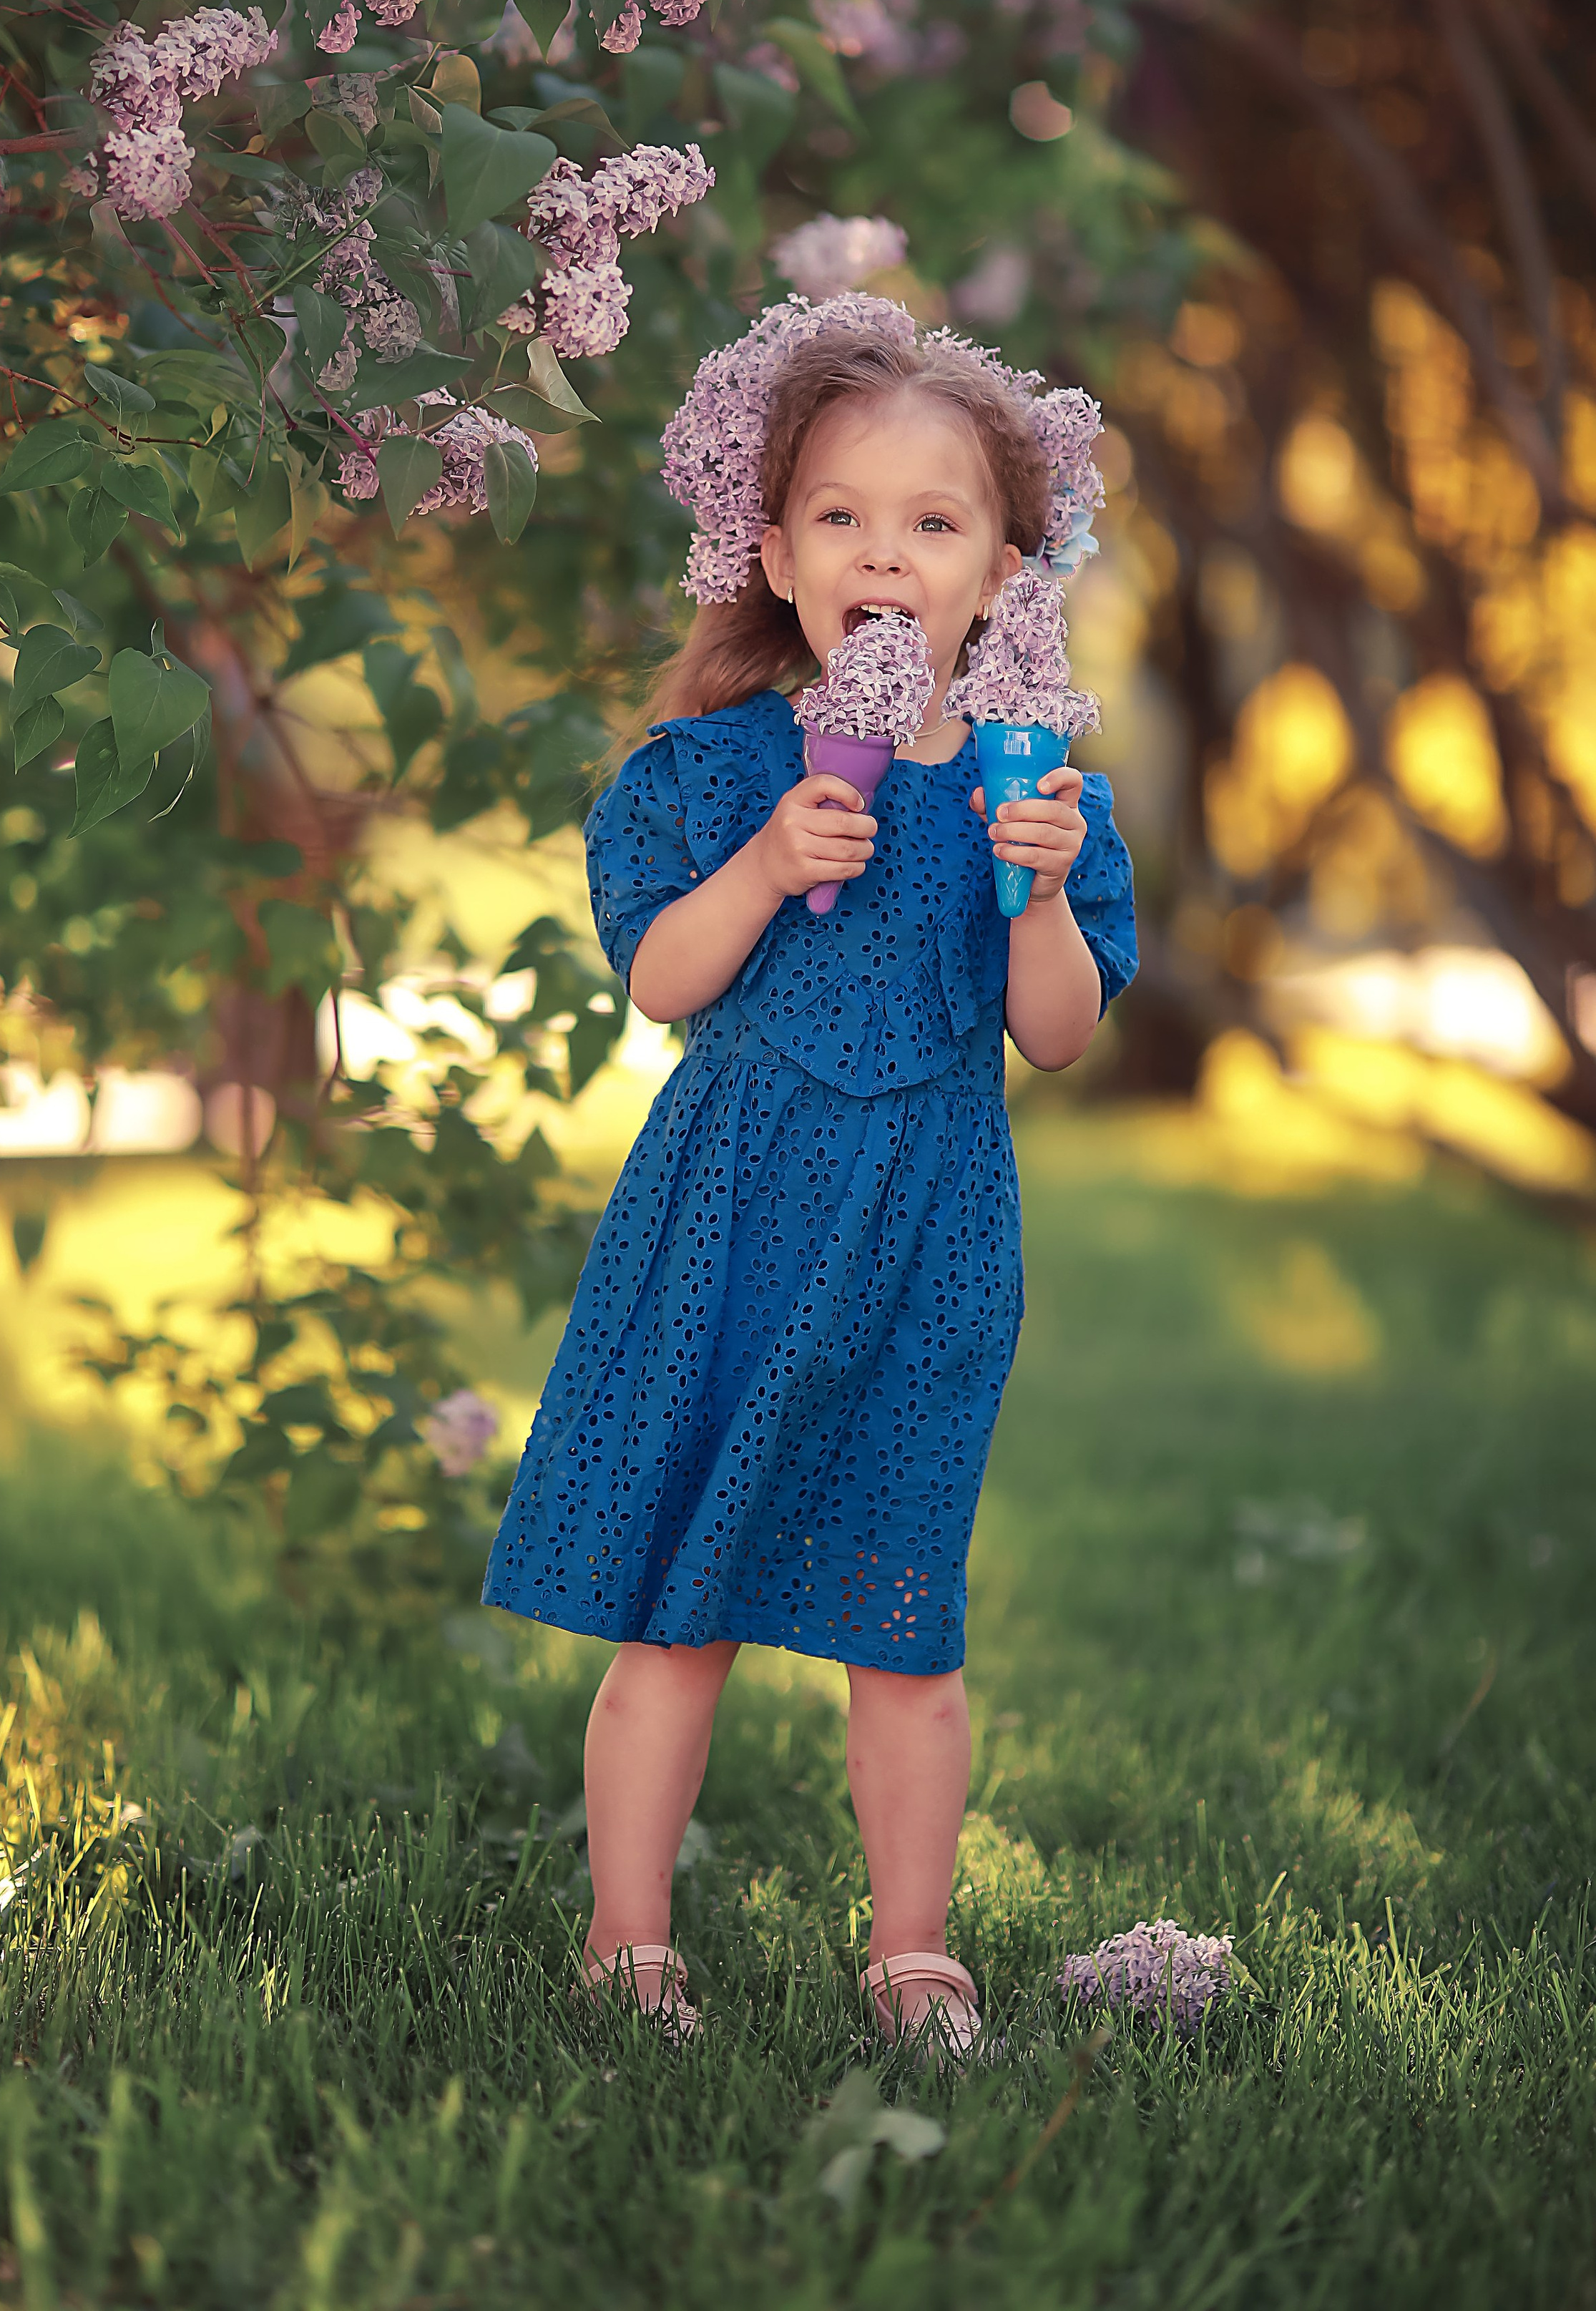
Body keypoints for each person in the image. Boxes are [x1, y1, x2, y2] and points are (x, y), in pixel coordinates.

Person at [482, 306, 1137, 2055]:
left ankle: (912, 1949)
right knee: (674, 1609)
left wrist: (1042, 890)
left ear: (1003, 568)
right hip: (723, 1227)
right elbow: (662, 978)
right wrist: (771, 861)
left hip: (928, 1238)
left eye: (934, 523)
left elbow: (1057, 1035)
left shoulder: (1038, 795)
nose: (884, 553)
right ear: (770, 553)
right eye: (839, 516)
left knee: (904, 1616)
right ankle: (631, 1940)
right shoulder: (703, 776)